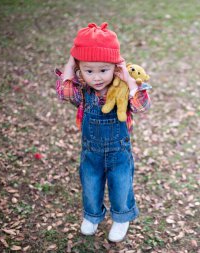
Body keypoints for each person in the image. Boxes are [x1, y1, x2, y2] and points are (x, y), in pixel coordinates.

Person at [55, 22, 151, 242]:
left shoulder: (125, 90)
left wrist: (128, 77)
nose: (96, 77)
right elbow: (65, 91)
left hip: (119, 153)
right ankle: (92, 215)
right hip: (92, 153)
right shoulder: (83, 93)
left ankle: (121, 217)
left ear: (115, 68)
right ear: (79, 70)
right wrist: (72, 60)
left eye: (103, 70)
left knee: (121, 185)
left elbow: (142, 106)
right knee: (90, 184)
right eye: (89, 71)